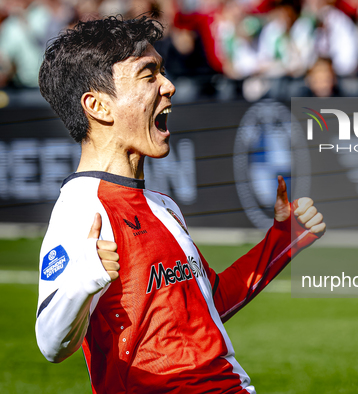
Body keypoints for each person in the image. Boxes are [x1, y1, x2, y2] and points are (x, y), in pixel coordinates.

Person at [35, 15, 325, 393]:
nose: (168, 86)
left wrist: (284, 239)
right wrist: (85, 278)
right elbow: (51, 342)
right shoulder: (82, 208)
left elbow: (210, 304)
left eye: (163, 72)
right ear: (98, 106)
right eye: (148, 74)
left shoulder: (163, 205)